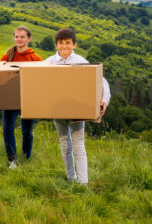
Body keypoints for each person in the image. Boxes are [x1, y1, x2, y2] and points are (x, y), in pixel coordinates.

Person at [44, 28, 110, 185]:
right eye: (61, 43)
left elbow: (101, 80)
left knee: (78, 145)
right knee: (64, 143)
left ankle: (83, 184)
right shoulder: (49, 62)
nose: (64, 46)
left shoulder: (81, 61)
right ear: (56, 45)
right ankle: (70, 178)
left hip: (77, 110)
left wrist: (104, 100)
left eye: (68, 43)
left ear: (74, 45)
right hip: (58, 109)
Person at [0, 26, 43, 169]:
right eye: (17, 36)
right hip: (10, 97)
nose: (19, 39)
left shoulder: (36, 59)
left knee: (27, 131)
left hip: (29, 97)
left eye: (22, 37)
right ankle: (12, 159)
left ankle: (26, 157)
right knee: (8, 128)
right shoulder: (7, 56)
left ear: (29, 39)